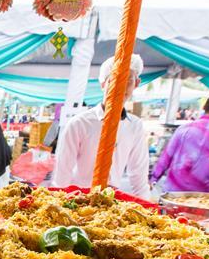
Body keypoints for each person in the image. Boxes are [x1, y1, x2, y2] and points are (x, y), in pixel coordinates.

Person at [51, 54, 152, 199]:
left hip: (111, 202)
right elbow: (62, 174)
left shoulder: (135, 126)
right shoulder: (79, 124)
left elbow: (139, 175)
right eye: (114, 80)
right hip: (79, 200)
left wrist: (148, 206)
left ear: (136, 83)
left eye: (128, 81)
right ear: (103, 84)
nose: (120, 87)